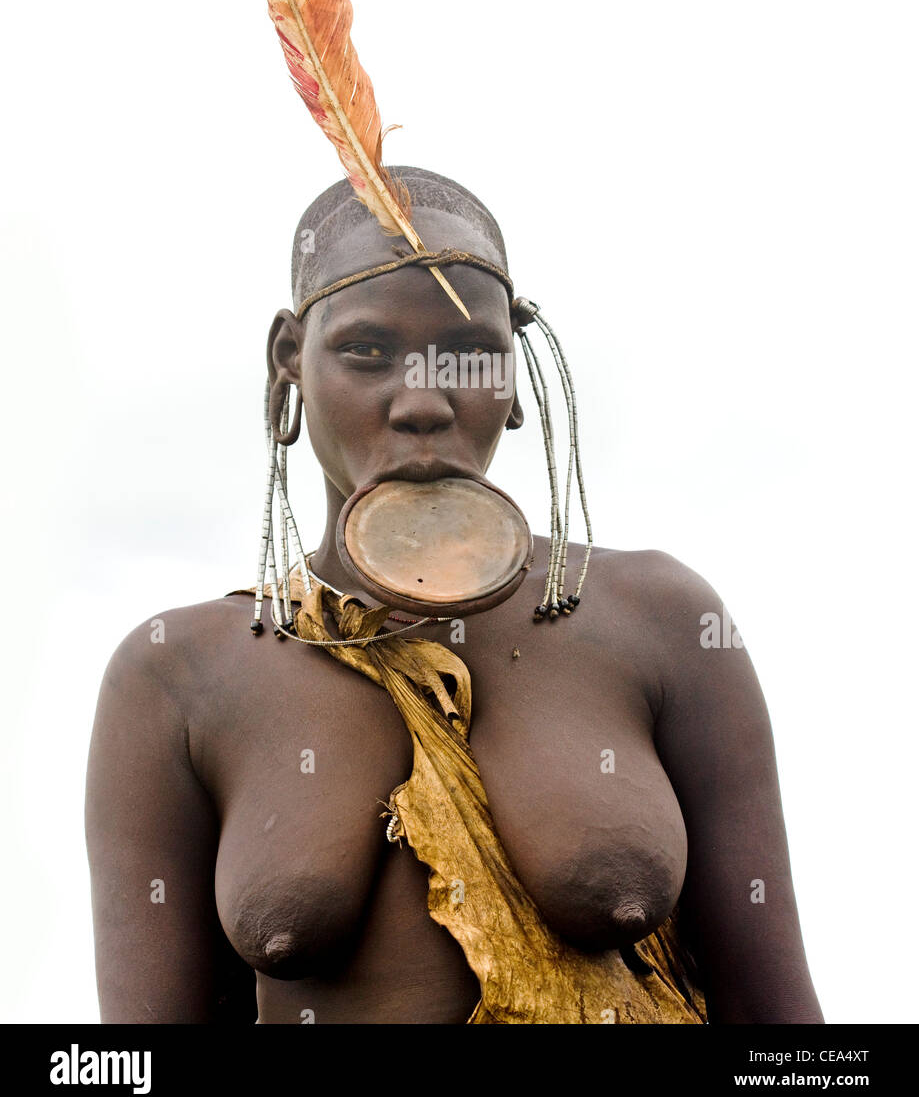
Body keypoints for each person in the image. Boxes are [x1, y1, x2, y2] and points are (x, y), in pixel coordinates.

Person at [85, 165, 824, 1024]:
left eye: (469, 356)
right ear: (290, 359)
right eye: (367, 351)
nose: (422, 402)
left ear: (513, 376)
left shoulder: (657, 619)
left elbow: (784, 1035)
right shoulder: (178, 674)